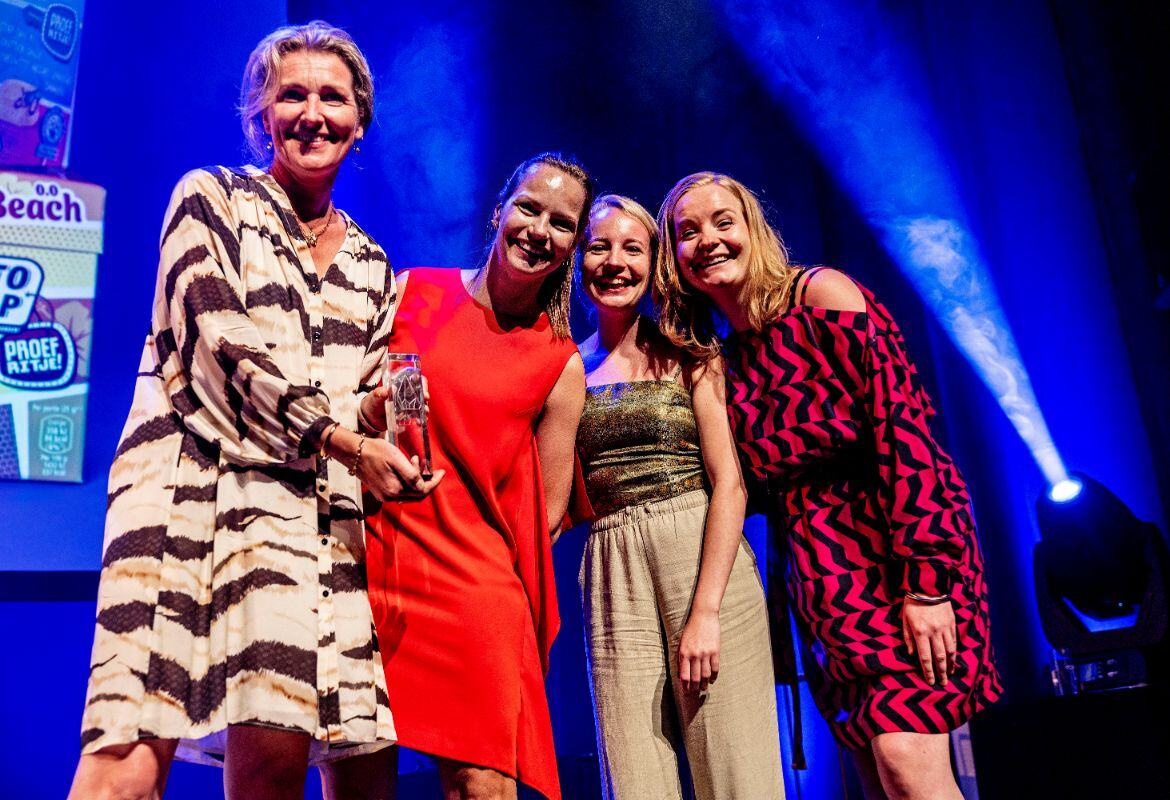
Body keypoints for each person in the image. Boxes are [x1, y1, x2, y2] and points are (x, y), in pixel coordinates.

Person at [68, 21, 439, 800]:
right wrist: (347, 439)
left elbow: (356, 400)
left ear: (360, 122)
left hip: (310, 531)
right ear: (261, 115)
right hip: (191, 510)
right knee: (125, 765)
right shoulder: (210, 201)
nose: (313, 113)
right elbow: (222, 347)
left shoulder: (372, 264)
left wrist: (382, 414)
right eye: (291, 95)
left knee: (296, 765)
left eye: (332, 98)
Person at [655, 172, 1002, 800]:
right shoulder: (720, 358)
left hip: (897, 557)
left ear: (753, 229)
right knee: (876, 775)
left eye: (723, 221)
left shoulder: (820, 296)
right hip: (823, 585)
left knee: (905, 761)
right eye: (688, 231)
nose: (708, 239)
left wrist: (927, 584)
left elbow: (905, 433)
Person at [363, 153, 590, 800]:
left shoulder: (560, 362)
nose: (539, 230)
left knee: (481, 784)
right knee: (358, 774)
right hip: (378, 568)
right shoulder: (412, 290)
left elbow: (548, 513)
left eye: (562, 223)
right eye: (529, 208)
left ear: (573, 245)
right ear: (499, 211)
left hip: (473, 588)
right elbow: (353, 405)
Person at [573, 195, 784, 799]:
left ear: (654, 261)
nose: (615, 262)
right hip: (613, 566)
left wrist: (705, 611)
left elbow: (730, 483)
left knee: (739, 776)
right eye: (599, 247)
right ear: (579, 262)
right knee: (634, 777)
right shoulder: (564, 368)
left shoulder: (690, 351)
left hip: (702, 555)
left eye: (632, 248)